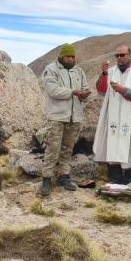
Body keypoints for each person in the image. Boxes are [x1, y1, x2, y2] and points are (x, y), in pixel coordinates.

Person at [93, 44, 131, 185]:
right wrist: (104, 74)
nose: (119, 58)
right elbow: (100, 89)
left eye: (122, 55)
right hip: (113, 116)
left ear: (130, 55)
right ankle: (114, 179)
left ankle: (130, 180)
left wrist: (122, 90)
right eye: (117, 55)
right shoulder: (111, 71)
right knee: (112, 145)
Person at [40, 43, 90, 196]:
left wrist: (84, 93)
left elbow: (85, 87)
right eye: (68, 56)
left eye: (73, 56)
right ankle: (47, 178)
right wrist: (74, 92)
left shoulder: (79, 71)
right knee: (53, 149)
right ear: (61, 57)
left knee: (68, 149)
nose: (70, 59)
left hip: (74, 116)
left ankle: (64, 176)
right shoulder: (51, 69)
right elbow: (53, 91)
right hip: (57, 116)